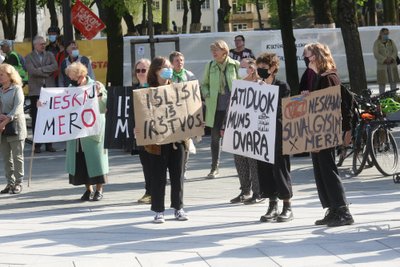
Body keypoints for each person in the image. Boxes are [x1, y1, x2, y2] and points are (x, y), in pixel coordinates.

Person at [302, 42, 354, 227]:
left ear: (316, 56)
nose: (305, 58)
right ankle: (332, 208)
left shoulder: (329, 77)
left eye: (307, 55)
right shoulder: (319, 77)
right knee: (320, 170)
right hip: (319, 132)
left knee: (328, 169)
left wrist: (346, 130)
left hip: (326, 132)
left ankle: (343, 210)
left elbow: (338, 106)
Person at [144, 56, 188, 223]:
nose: (169, 70)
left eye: (169, 67)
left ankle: (178, 207)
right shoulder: (147, 92)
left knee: (178, 175)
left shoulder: (178, 89)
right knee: (158, 176)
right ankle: (158, 210)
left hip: (177, 140)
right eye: (165, 67)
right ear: (155, 71)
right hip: (157, 142)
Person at [253, 52, 294, 222]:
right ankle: (272, 204)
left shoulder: (282, 86)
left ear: (273, 68)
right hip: (262, 135)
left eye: (264, 68)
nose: (260, 70)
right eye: (259, 68)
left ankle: (287, 206)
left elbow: (282, 110)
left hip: (278, 135)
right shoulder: (256, 86)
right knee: (264, 169)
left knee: (280, 169)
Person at [64, 62, 108, 201]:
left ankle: (99, 190)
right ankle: (88, 190)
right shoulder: (71, 88)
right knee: (81, 160)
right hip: (77, 132)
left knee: (97, 160)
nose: (72, 81)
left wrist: (99, 95)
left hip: (93, 130)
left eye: (74, 78)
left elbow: (104, 107)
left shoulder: (96, 85)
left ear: (82, 75)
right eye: (70, 78)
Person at [201, 40, 240, 178]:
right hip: (216, 106)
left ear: (224, 51)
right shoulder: (210, 65)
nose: (214, 53)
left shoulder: (235, 65)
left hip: (233, 106)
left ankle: (242, 167)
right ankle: (214, 167)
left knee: (238, 137)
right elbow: (204, 84)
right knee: (215, 138)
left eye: (216, 50)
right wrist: (206, 94)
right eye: (212, 50)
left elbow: (243, 82)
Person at [229, 58, 264, 205]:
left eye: (247, 67)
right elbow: (233, 106)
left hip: (255, 129)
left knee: (253, 162)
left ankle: (258, 192)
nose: (244, 70)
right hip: (240, 128)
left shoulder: (261, 84)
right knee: (240, 160)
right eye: (242, 67)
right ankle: (244, 190)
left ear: (253, 68)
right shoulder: (239, 85)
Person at [25, 36, 58, 153]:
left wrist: (41, 69)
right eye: (41, 44)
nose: (43, 45)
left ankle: (49, 144)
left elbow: (54, 66)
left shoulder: (50, 55)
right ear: (35, 45)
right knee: (37, 118)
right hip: (36, 92)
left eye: (44, 43)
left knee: (50, 117)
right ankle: (37, 145)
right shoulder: (28, 57)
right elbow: (31, 71)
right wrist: (46, 72)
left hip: (49, 90)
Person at [0, 63, 27, 194]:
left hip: (15, 126)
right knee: (6, 157)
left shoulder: (17, 89)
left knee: (17, 156)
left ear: (10, 76)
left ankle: (18, 182)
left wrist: (6, 120)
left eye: (2, 75)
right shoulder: (0, 90)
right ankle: (9, 183)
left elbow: (18, 108)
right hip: (2, 128)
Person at [169, 51, 197, 179]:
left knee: (185, 142)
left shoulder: (189, 75)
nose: (179, 63)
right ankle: (172, 170)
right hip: (172, 113)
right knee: (172, 142)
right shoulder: (168, 76)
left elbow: (195, 93)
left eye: (181, 60)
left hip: (186, 114)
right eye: (176, 60)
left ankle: (183, 169)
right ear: (171, 63)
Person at [132, 58, 152, 204]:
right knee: (145, 162)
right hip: (139, 132)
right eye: (138, 70)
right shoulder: (133, 89)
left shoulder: (155, 88)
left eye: (143, 70)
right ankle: (148, 191)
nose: (140, 73)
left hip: (155, 131)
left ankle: (154, 191)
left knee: (154, 162)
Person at [373, 28, 400, 94]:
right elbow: (376, 53)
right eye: (385, 34)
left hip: (392, 64)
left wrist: (392, 58)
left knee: (393, 81)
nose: (386, 35)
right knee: (382, 82)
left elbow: (395, 51)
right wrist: (384, 59)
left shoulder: (391, 42)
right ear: (381, 34)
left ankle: (394, 96)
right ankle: (382, 97)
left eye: (387, 34)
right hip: (382, 66)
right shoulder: (377, 43)